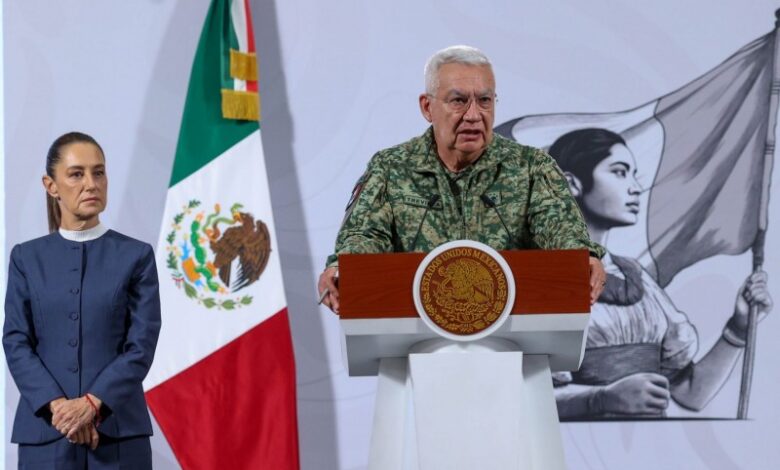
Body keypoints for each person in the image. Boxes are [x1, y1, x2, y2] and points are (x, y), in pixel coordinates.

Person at [318, 45, 607, 312]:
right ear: (427, 107)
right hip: (414, 336)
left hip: (514, 338)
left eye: (484, 101)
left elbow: (560, 230)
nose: (473, 115)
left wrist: (581, 258)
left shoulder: (531, 168)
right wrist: (345, 269)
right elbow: (364, 237)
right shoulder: (391, 168)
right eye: (458, 101)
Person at [547, 128, 773, 418]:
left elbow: (691, 394)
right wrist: (601, 399)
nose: (635, 187)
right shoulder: (541, 277)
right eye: (619, 172)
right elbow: (520, 396)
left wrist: (739, 327)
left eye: (634, 174)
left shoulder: (635, 275)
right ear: (571, 183)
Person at [3, 132, 161, 468]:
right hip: (45, 434)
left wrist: (92, 404)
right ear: (51, 186)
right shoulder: (26, 259)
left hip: (119, 435)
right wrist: (59, 408)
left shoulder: (137, 256)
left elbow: (141, 345)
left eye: (98, 172)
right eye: (76, 174)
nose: (91, 184)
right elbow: (15, 341)